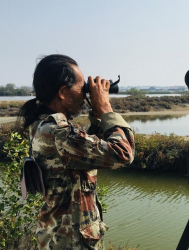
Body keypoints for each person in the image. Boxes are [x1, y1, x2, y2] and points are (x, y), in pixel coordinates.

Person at [18, 54, 135, 250]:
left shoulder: (42, 124)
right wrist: (105, 107)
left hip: (58, 237)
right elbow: (123, 155)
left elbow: (82, 152)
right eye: (82, 88)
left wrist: (97, 120)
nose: (84, 95)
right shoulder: (58, 132)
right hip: (71, 242)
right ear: (63, 92)